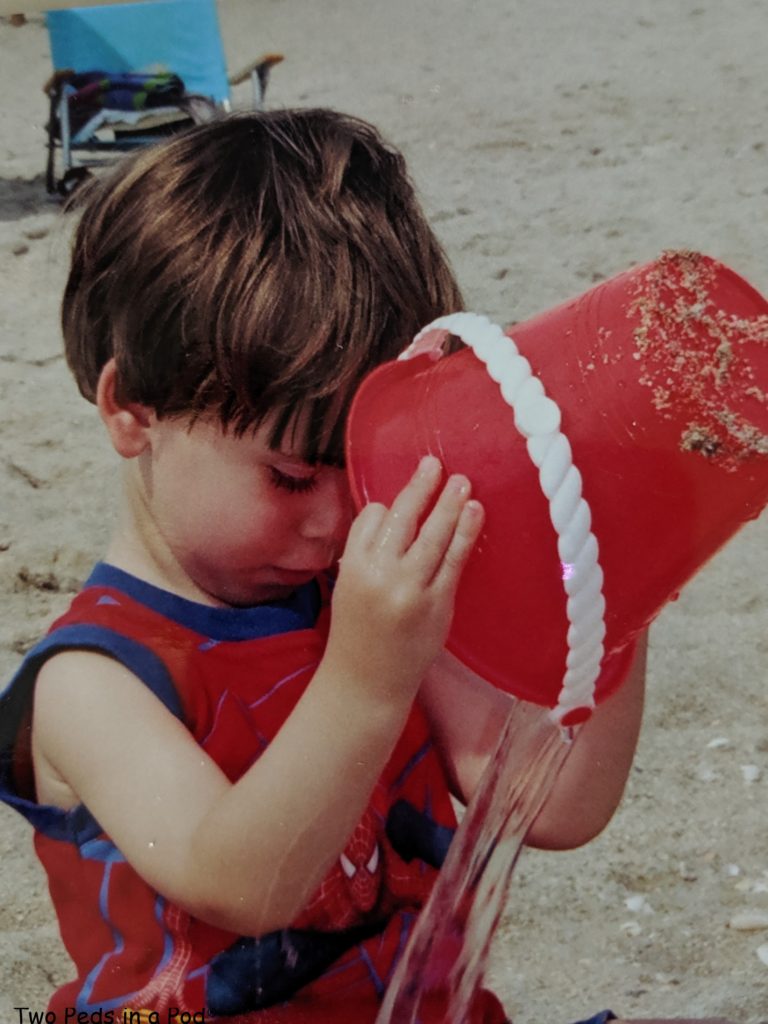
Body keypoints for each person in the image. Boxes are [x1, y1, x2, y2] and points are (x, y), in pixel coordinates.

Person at [0, 108, 647, 1023]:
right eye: (293, 475)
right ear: (133, 410)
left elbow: (553, 802)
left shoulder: (368, 597)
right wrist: (369, 679)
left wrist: (623, 590)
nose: (341, 518)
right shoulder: (91, 684)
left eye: (368, 465)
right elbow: (242, 884)